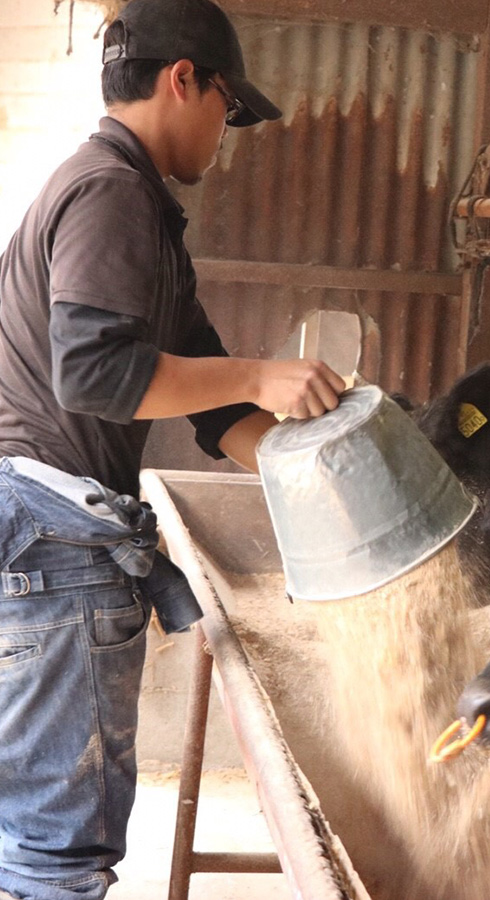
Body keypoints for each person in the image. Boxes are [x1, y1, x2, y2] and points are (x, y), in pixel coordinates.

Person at [0, 1, 346, 897]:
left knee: (36, 837)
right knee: (55, 857)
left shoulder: (144, 218)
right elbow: (96, 379)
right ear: (182, 78)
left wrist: (324, 489)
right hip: (49, 543)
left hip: (47, 533)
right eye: (227, 110)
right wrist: (261, 373)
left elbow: (210, 408)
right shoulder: (110, 191)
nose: (224, 137)